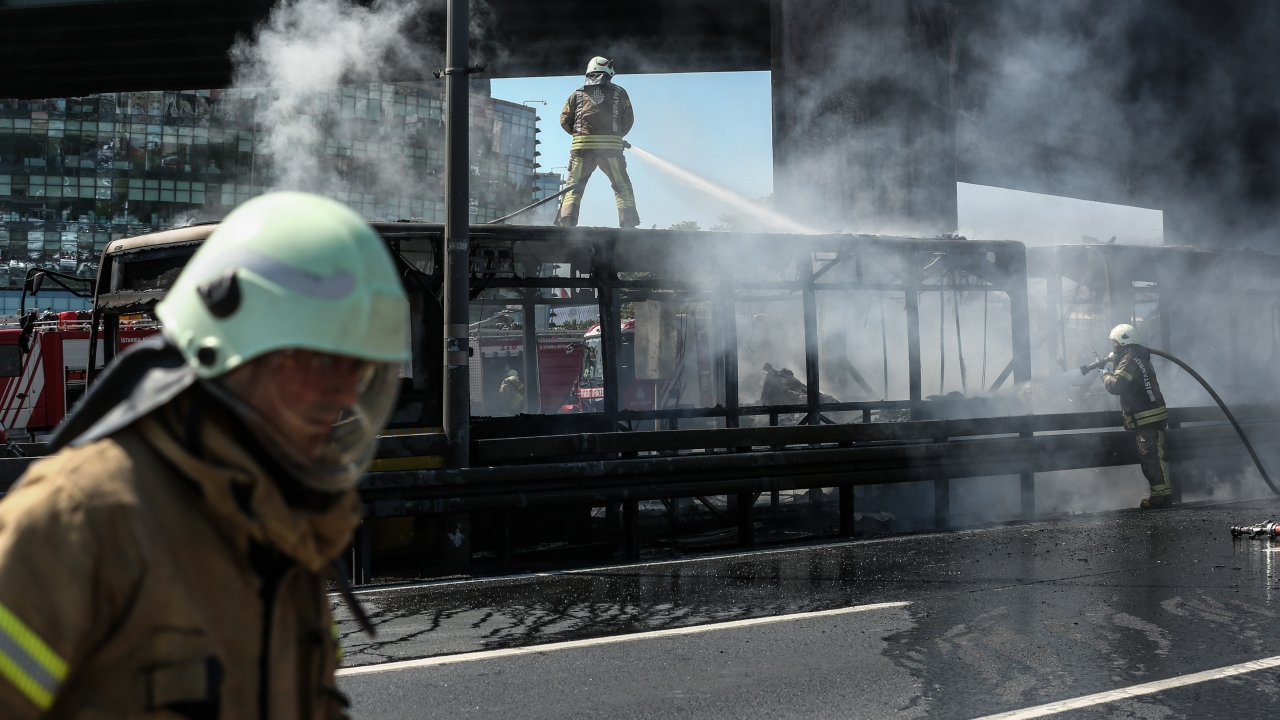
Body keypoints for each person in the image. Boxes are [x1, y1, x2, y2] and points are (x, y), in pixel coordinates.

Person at [0, 192, 409, 718]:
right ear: (230, 350)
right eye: (317, 357)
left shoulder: (285, 532)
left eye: (358, 366)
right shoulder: (79, 519)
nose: (343, 392)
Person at [556, 56, 640, 229]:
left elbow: (564, 119)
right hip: (610, 150)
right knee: (620, 184)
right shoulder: (620, 92)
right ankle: (628, 222)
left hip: (581, 149)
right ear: (608, 71)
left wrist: (580, 134)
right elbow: (628, 119)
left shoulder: (576, 94)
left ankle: (567, 220)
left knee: (573, 187)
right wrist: (616, 135)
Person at [1100, 323, 1172, 509]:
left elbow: (1117, 386)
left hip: (1146, 418)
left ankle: (1161, 499)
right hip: (1149, 416)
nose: (1113, 346)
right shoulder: (1139, 358)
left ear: (1122, 342)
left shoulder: (1130, 360)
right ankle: (1161, 497)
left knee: (1151, 457)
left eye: (1114, 343)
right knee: (1152, 457)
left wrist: (1105, 374)